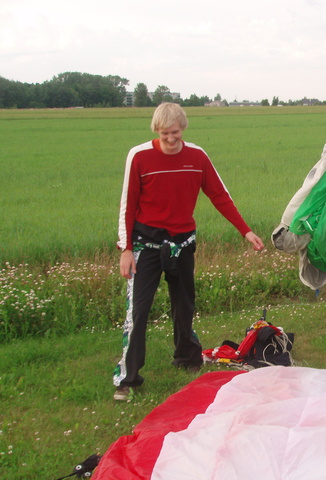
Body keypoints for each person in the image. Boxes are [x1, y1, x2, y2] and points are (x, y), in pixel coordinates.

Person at [113, 103, 264, 401]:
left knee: (184, 304)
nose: (171, 139)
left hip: (183, 243)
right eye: (165, 134)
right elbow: (127, 205)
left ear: (184, 128)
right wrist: (126, 248)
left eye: (176, 133)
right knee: (138, 311)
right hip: (147, 245)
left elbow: (220, 195)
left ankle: (187, 357)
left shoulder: (197, 156)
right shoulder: (140, 156)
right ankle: (127, 378)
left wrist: (245, 230)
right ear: (156, 130)